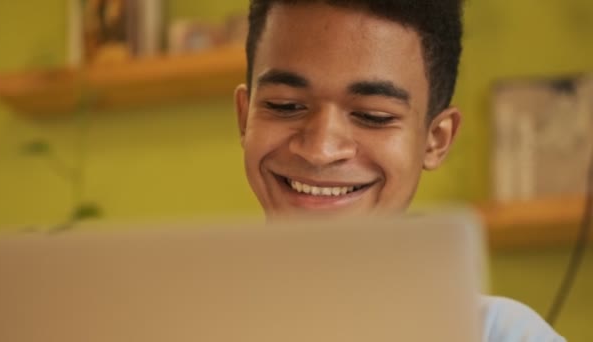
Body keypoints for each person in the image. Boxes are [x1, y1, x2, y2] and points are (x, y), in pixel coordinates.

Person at [233, 0, 566, 341]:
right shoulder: (180, 320)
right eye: (284, 106)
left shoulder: (499, 334)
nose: (320, 150)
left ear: (435, 140)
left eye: (373, 116)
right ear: (245, 117)